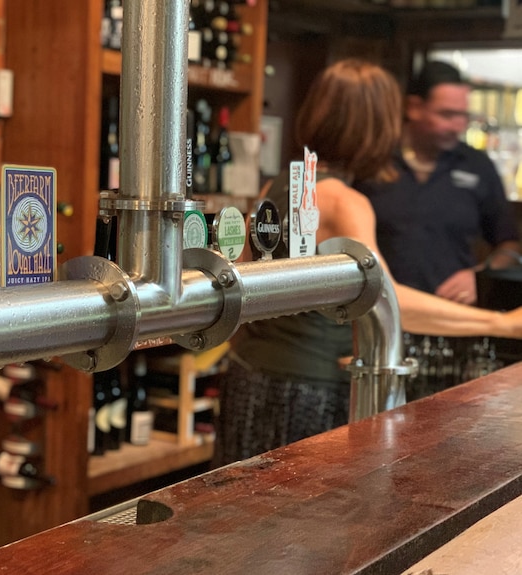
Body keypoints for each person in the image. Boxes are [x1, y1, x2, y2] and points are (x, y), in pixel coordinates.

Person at [213, 59, 522, 467]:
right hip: (309, 389)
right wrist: (502, 324)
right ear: (374, 127)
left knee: (245, 515)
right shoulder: (346, 201)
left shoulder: (284, 184)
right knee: (304, 523)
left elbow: (245, 278)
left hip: (252, 377)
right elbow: (388, 300)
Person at [357, 60, 521, 399]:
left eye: (463, 115)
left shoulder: (476, 165)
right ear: (414, 107)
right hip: (377, 327)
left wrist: (480, 274)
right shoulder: (373, 160)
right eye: (447, 114)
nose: (458, 125)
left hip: (452, 334)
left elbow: (509, 244)